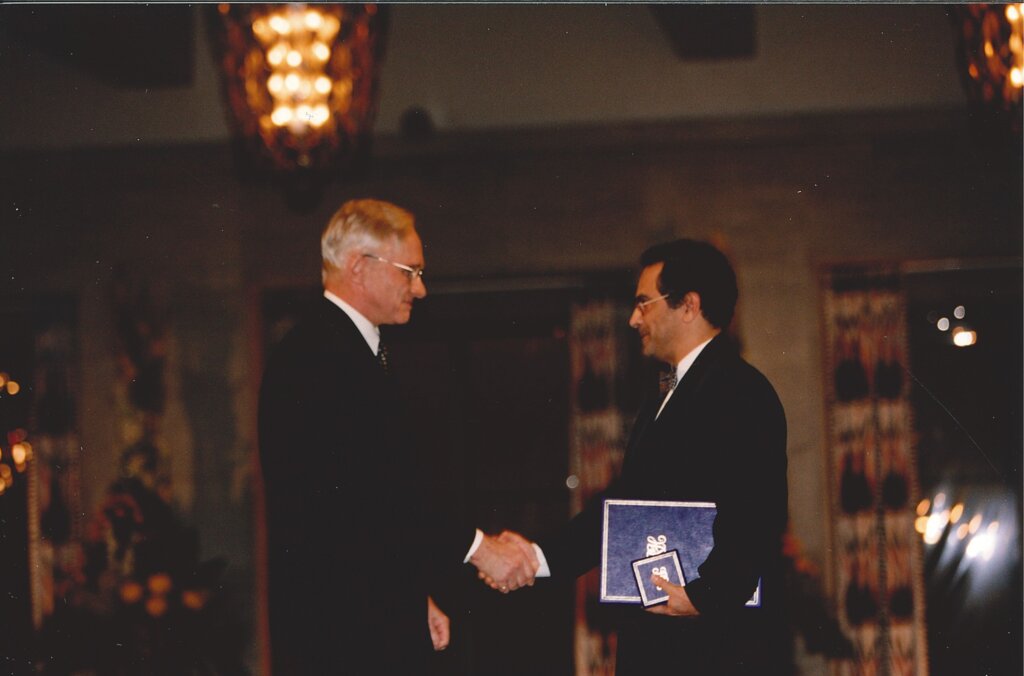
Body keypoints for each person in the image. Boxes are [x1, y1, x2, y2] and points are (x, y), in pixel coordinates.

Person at [258, 199, 537, 675]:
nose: (421, 289)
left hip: (355, 619)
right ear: (360, 267)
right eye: (410, 272)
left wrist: (411, 598)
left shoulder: (341, 347)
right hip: (340, 638)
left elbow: (360, 518)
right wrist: (480, 549)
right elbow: (376, 496)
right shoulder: (322, 358)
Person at [504, 238, 790, 674]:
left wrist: (702, 597)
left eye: (643, 303)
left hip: (710, 648)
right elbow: (628, 506)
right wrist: (540, 557)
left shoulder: (739, 390)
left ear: (688, 305)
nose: (633, 318)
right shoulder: (670, 392)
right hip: (672, 641)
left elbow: (758, 512)